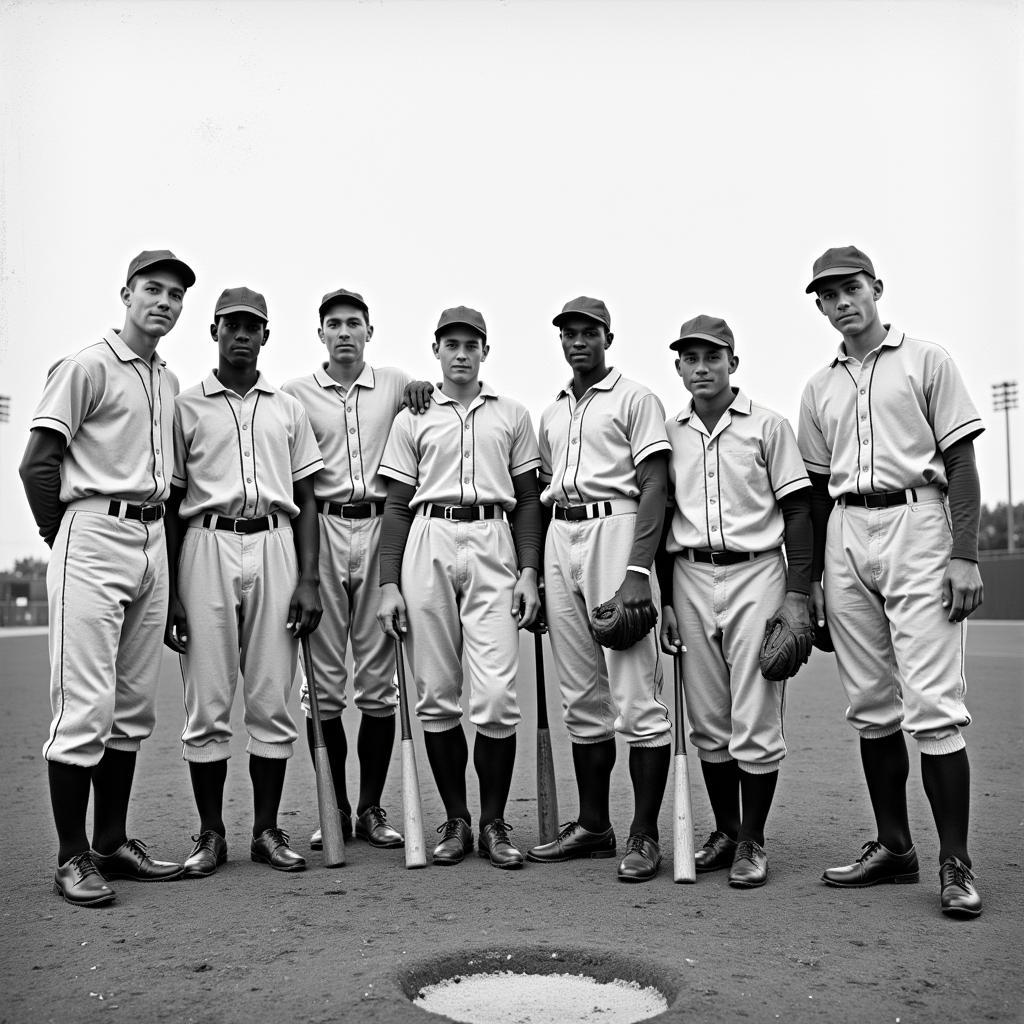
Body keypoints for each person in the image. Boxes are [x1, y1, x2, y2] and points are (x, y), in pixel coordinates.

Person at [798, 245, 985, 917]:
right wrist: (814, 576)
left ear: (876, 287)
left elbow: (961, 462)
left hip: (919, 521)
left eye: (850, 287)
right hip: (847, 531)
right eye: (828, 293)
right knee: (872, 704)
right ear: (819, 306)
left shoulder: (926, 359)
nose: (842, 300)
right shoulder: (818, 387)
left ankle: (955, 862)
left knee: (932, 704)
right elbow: (816, 491)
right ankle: (895, 846)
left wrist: (964, 554)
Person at [20, 249, 195, 906]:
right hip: (92, 528)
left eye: (175, 295)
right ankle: (70, 857)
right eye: (153, 289)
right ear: (126, 293)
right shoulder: (87, 363)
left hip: (151, 535)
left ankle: (110, 842)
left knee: (131, 708)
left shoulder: (167, 380)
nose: (164, 302)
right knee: (84, 706)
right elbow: (37, 464)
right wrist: (60, 537)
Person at [376, 306, 543, 869]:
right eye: (451, 343)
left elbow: (526, 504)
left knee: (496, 695)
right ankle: (456, 819)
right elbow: (397, 506)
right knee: (436, 693)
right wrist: (388, 584)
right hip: (430, 537)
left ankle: (494, 822)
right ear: (437, 350)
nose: (462, 353)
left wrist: (528, 571)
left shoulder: (513, 414)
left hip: (494, 539)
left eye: (472, 344)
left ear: (486, 351)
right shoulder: (412, 418)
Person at [164, 286, 324, 875]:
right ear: (213, 331)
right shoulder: (185, 405)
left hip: (275, 543)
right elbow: (172, 499)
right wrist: (174, 593)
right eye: (230, 324)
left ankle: (265, 830)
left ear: (265, 336)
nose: (240, 334)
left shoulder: (286, 408)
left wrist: (309, 579)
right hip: (205, 542)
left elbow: (305, 495)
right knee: (206, 701)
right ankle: (210, 834)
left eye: (251, 326)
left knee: (270, 697)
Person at [656, 315, 812, 888]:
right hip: (690, 576)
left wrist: (797, 595)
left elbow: (797, 511)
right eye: (690, 358)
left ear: (733, 364)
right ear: (677, 367)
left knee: (755, 710)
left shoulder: (768, 426)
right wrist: (667, 597)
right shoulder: (667, 431)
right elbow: (661, 515)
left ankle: (753, 839)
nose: (701, 367)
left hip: (757, 573)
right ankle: (727, 829)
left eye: (712, 357)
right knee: (707, 717)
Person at [525, 296, 673, 883]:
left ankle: (643, 833)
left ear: (608, 337)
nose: (578, 340)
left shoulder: (636, 398)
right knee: (581, 697)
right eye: (569, 332)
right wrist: (532, 570)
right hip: (563, 534)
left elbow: (655, 484)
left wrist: (639, 571)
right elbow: (537, 493)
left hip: (617, 529)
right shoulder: (553, 413)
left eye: (589, 332)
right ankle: (593, 826)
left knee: (635, 696)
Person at [282, 288, 419, 852]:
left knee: (378, 684)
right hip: (324, 529)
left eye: (353, 324)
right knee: (325, 687)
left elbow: (424, 412)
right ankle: (334, 807)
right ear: (320, 334)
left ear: (369, 331)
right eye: (333, 324)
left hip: (383, 525)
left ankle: (369, 808)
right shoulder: (295, 393)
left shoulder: (395, 382)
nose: (344, 332)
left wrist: (423, 391)